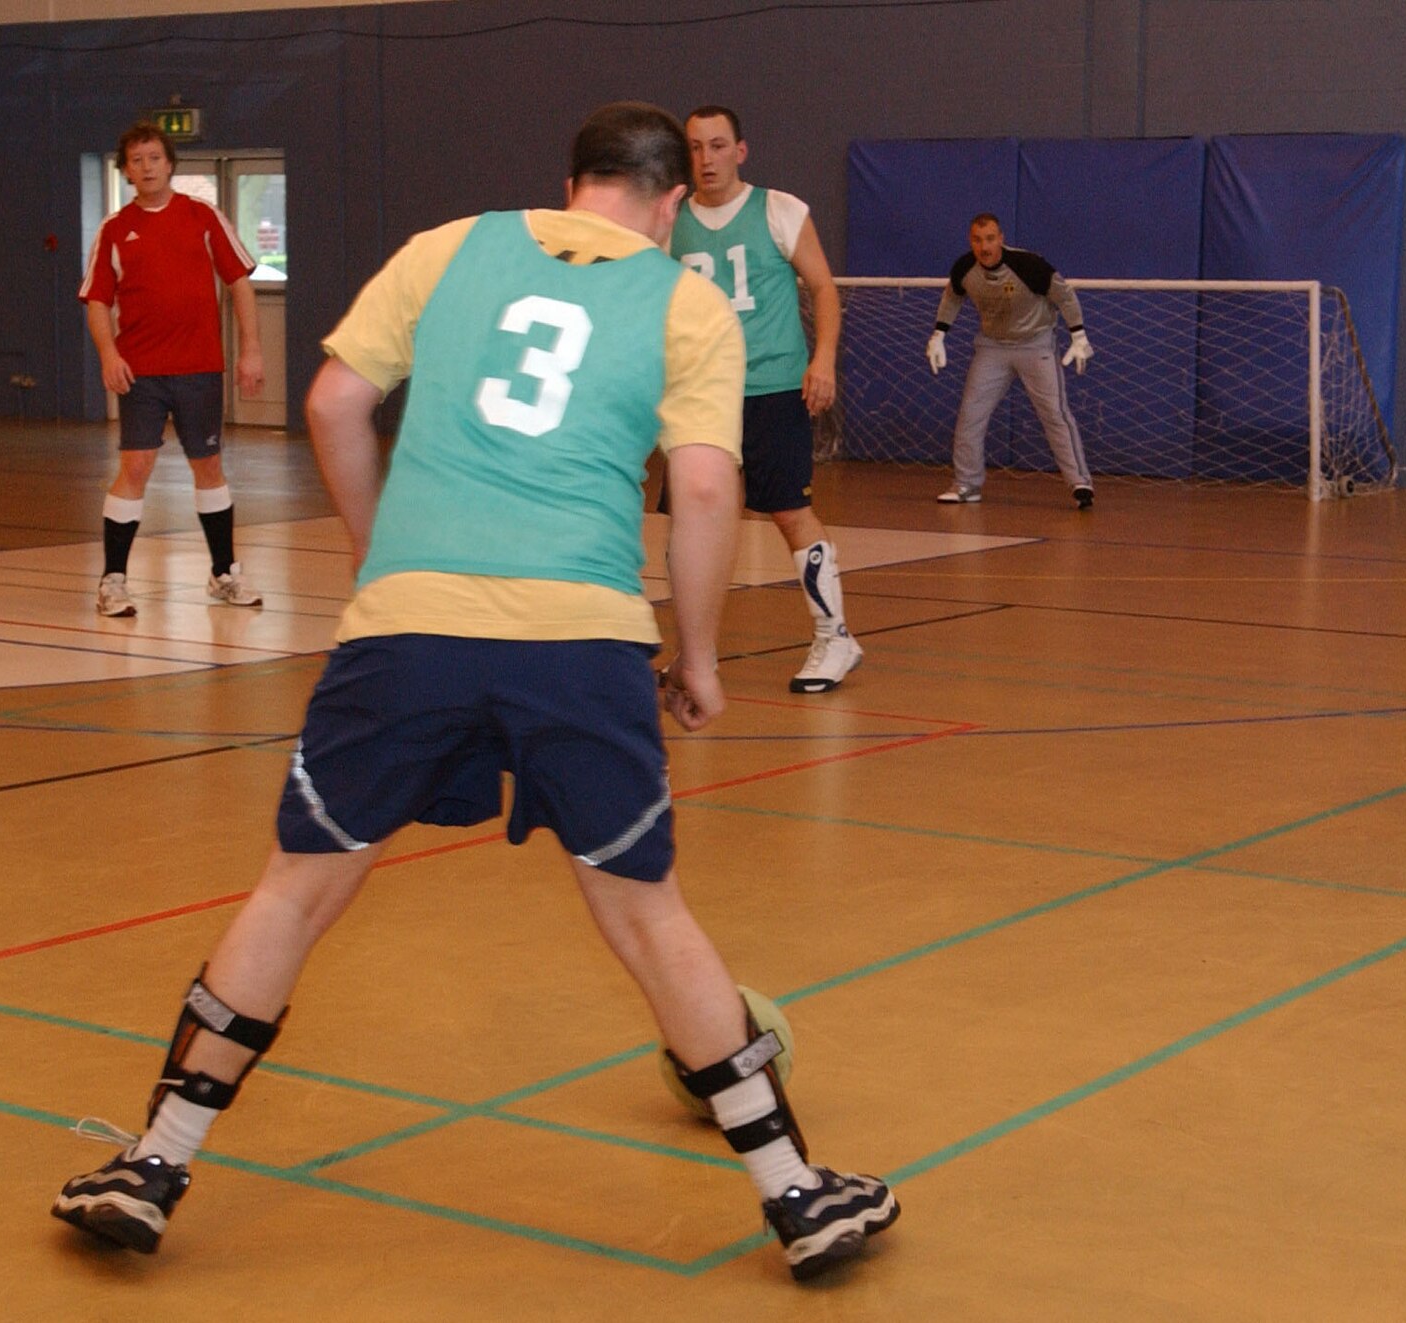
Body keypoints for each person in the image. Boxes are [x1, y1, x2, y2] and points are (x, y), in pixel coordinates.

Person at [51, 101, 898, 1282]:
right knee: (646, 917)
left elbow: (334, 406)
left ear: (569, 182)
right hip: (580, 639)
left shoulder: (447, 248)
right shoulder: (681, 300)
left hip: (408, 632)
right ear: (666, 205)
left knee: (296, 895)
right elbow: (706, 493)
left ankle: (152, 1164)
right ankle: (797, 1194)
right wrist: (696, 658)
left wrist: (374, 550)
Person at [671, 105, 862, 693]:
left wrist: (822, 357)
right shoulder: (670, 220)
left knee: (787, 511)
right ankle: (694, 652)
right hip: (702, 394)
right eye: (697, 147)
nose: (707, 158)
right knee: (691, 520)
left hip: (771, 386)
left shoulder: (778, 209)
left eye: (718, 145)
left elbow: (823, 286)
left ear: (741, 150)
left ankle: (835, 637)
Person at [80, 121, 266, 617]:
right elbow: (97, 302)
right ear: (126, 171)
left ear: (170, 164)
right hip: (140, 373)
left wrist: (251, 350)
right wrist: (108, 355)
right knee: (135, 468)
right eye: (136, 160)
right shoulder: (114, 230)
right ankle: (112, 581)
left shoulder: (203, 217)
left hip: (199, 369)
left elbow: (241, 285)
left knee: (208, 466)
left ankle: (223, 573)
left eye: (154, 158)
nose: (146, 167)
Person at [925, 214, 1095, 508]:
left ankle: (1079, 482)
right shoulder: (964, 269)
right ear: (970, 241)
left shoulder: (1029, 266)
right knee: (970, 415)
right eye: (977, 240)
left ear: (1001, 238)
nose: (984, 246)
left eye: (990, 239)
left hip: (1036, 344)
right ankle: (966, 484)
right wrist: (938, 335)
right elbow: (952, 298)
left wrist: (1079, 336)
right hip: (992, 348)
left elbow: (1064, 296)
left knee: (1055, 414)